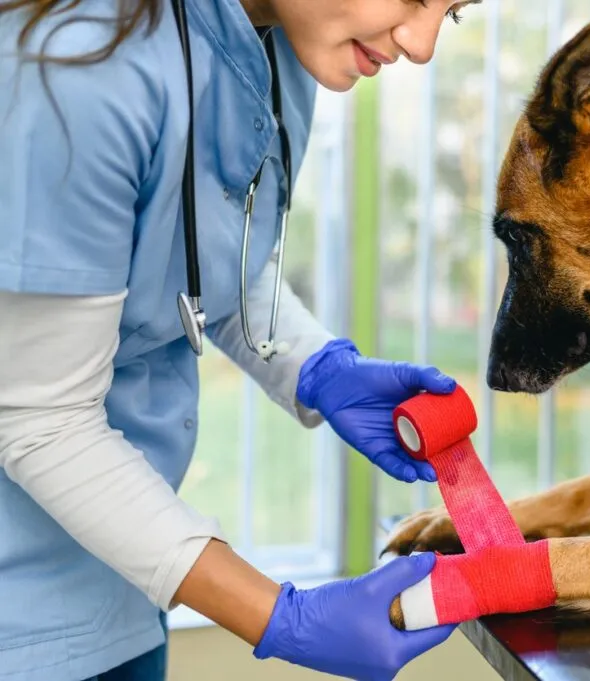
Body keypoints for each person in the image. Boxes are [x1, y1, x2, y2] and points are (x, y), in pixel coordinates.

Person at [0, 1, 478, 680]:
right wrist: (280, 616)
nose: (424, 44)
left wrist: (320, 367)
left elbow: (195, 254)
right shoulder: (75, 74)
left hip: (125, 582)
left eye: (453, 13)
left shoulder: (283, 47)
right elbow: (43, 420)